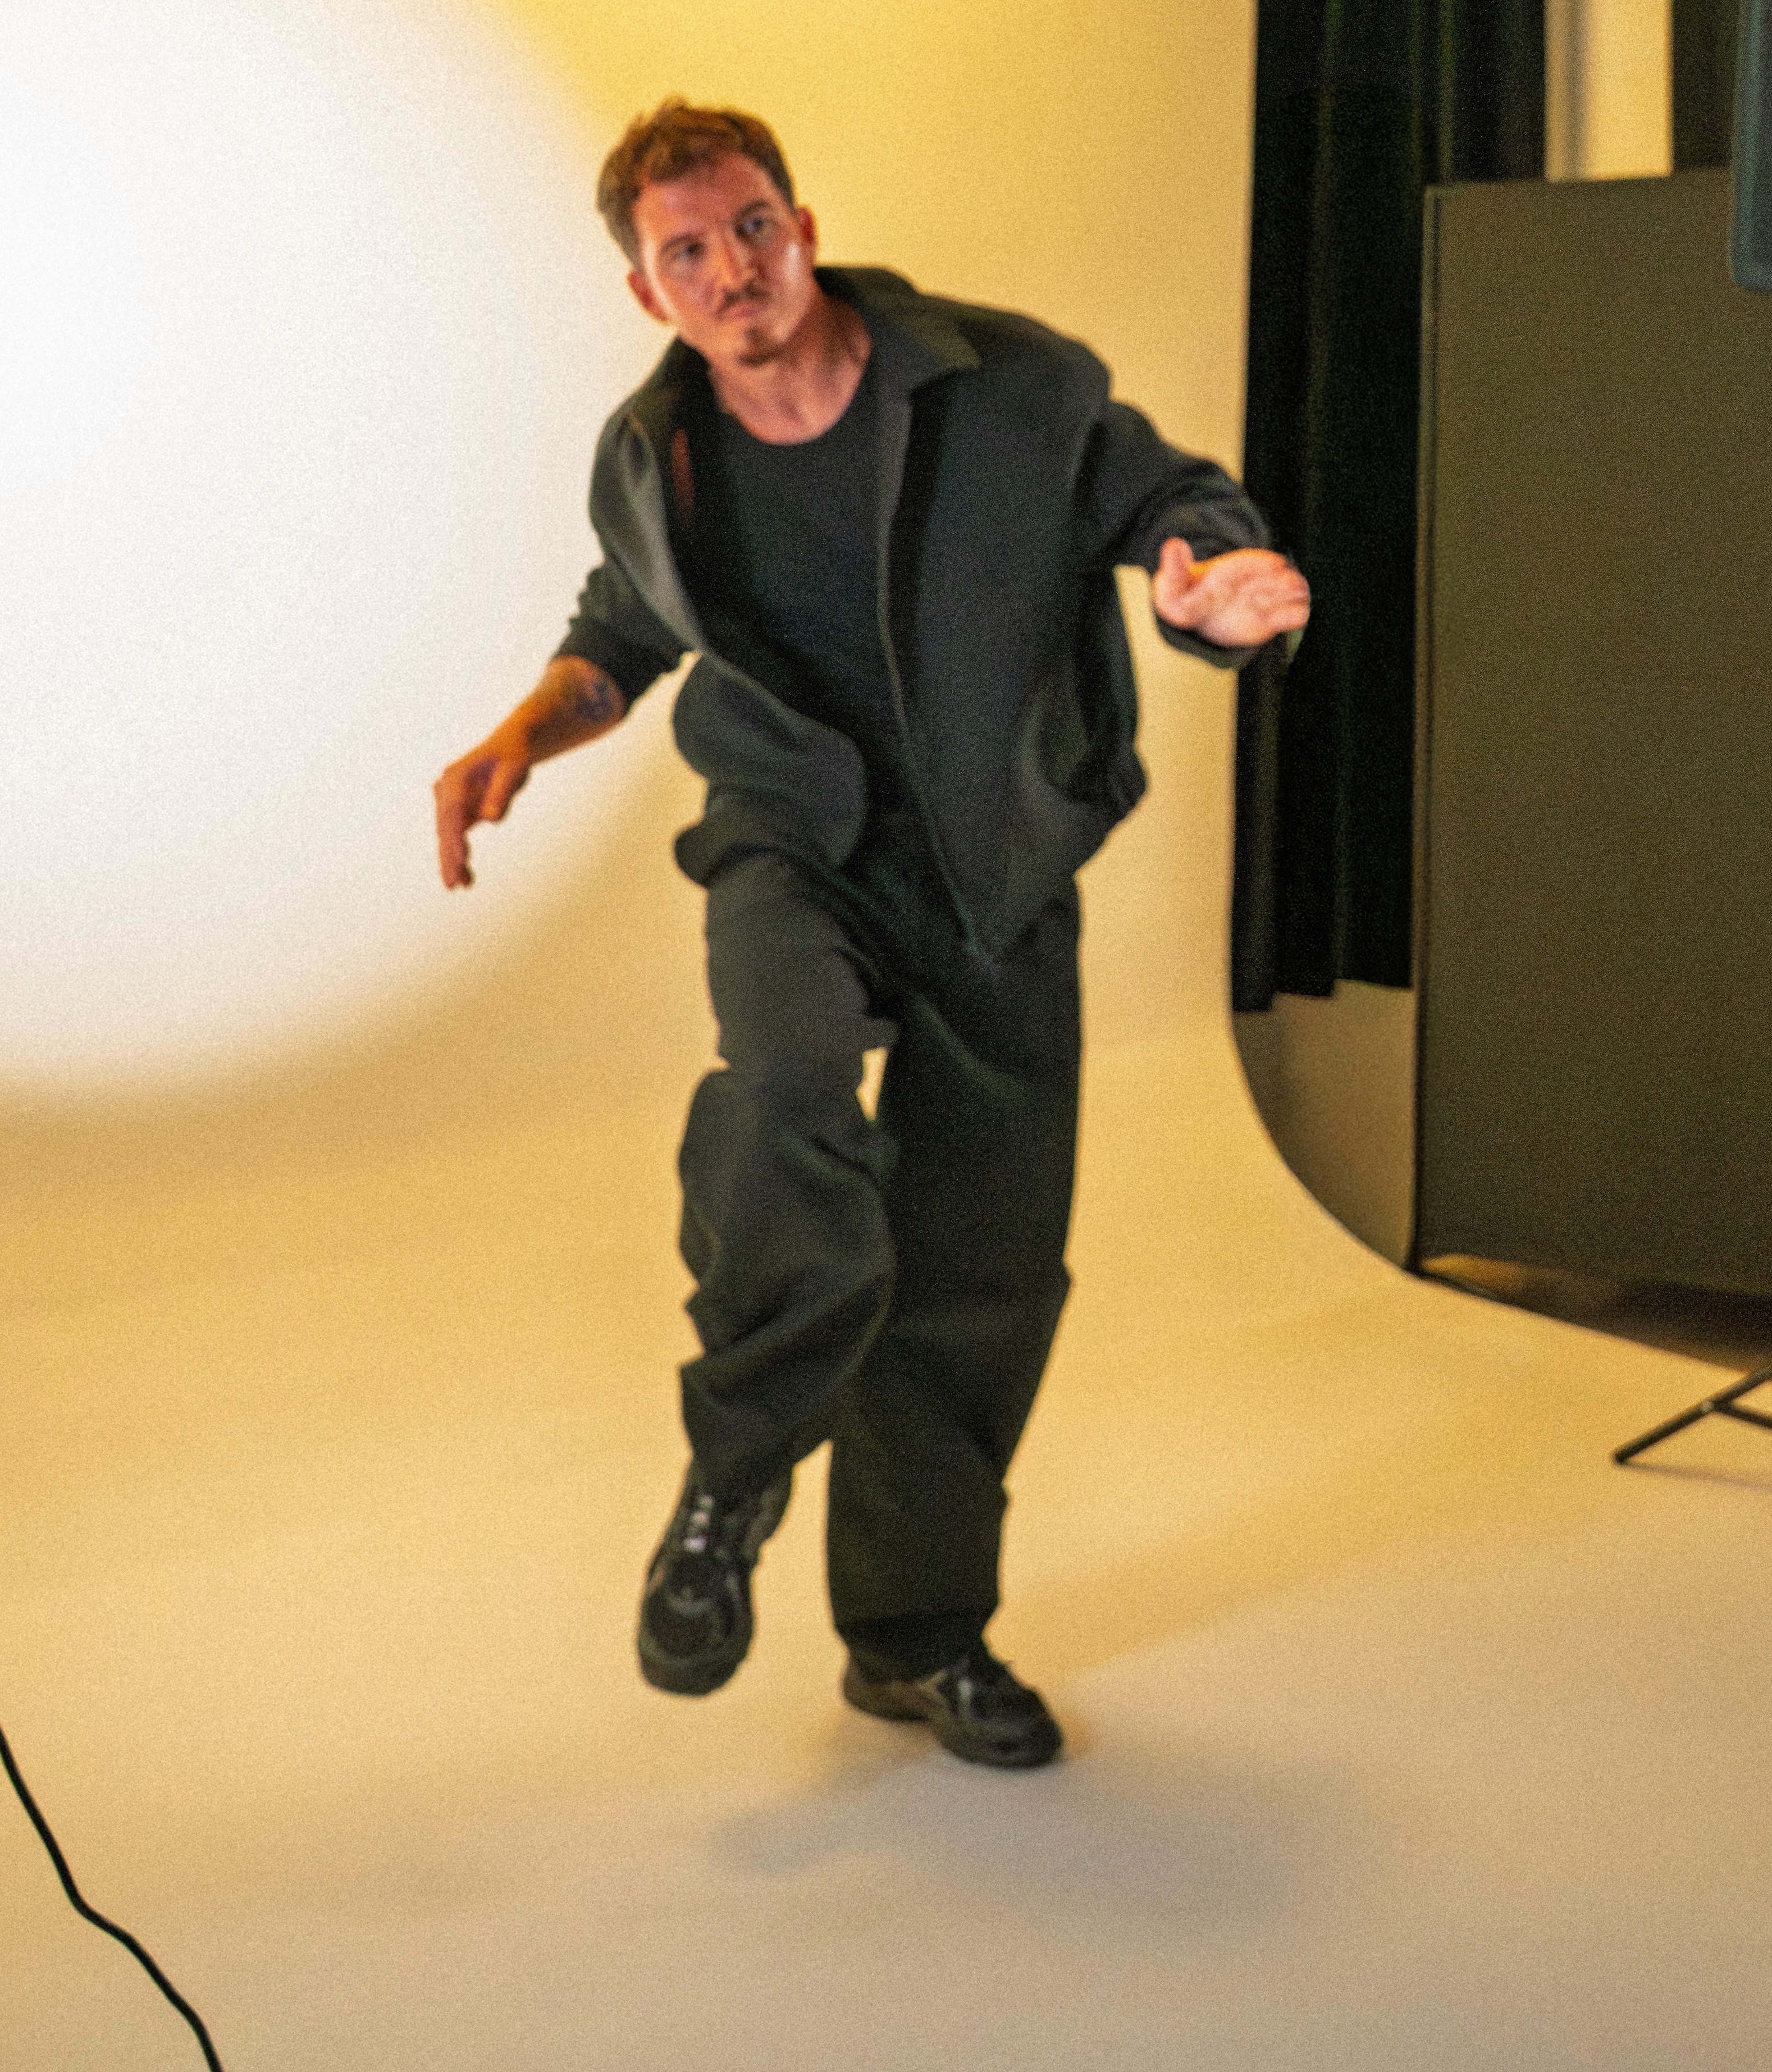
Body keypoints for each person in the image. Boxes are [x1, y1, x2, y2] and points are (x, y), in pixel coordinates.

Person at [433, 99, 1305, 1771]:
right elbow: (620, 631)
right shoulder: (654, 453)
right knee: (784, 1099)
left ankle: (914, 1640)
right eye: (684, 250)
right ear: (646, 290)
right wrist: (518, 738)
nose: (730, 268)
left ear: (803, 224)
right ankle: (739, 1471)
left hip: (993, 869)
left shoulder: (1013, 381)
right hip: (793, 846)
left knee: (980, 1269)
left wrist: (1214, 577)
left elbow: (1169, 505)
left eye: (750, 225)